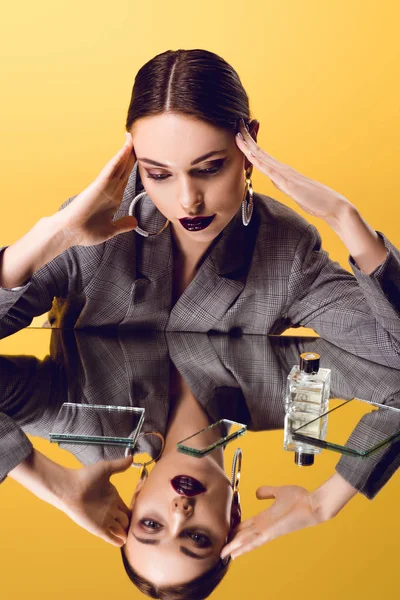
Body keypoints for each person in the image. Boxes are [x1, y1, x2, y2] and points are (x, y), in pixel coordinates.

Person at [0, 48, 399, 368]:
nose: (188, 199)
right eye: (159, 174)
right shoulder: (90, 228)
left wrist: (344, 218)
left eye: (209, 168)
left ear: (249, 145)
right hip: (110, 459)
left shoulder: (285, 248)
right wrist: (52, 236)